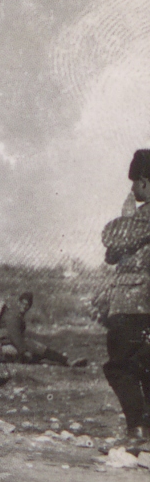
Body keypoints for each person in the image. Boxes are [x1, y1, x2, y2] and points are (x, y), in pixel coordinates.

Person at [99, 148, 150, 449]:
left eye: (135, 182)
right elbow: (112, 254)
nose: (132, 189)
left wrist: (127, 214)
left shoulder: (140, 217)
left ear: (144, 181)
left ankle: (136, 432)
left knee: (120, 365)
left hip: (133, 304)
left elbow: (111, 238)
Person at [0, 292, 84, 370]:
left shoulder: (15, 315)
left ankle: (66, 361)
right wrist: (23, 351)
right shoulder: (14, 316)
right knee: (36, 348)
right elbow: (15, 335)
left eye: (27, 305)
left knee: (38, 350)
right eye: (23, 303)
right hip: (4, 344)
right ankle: (67, 361)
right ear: (18, 302)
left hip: (6, 342)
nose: (24, 307)